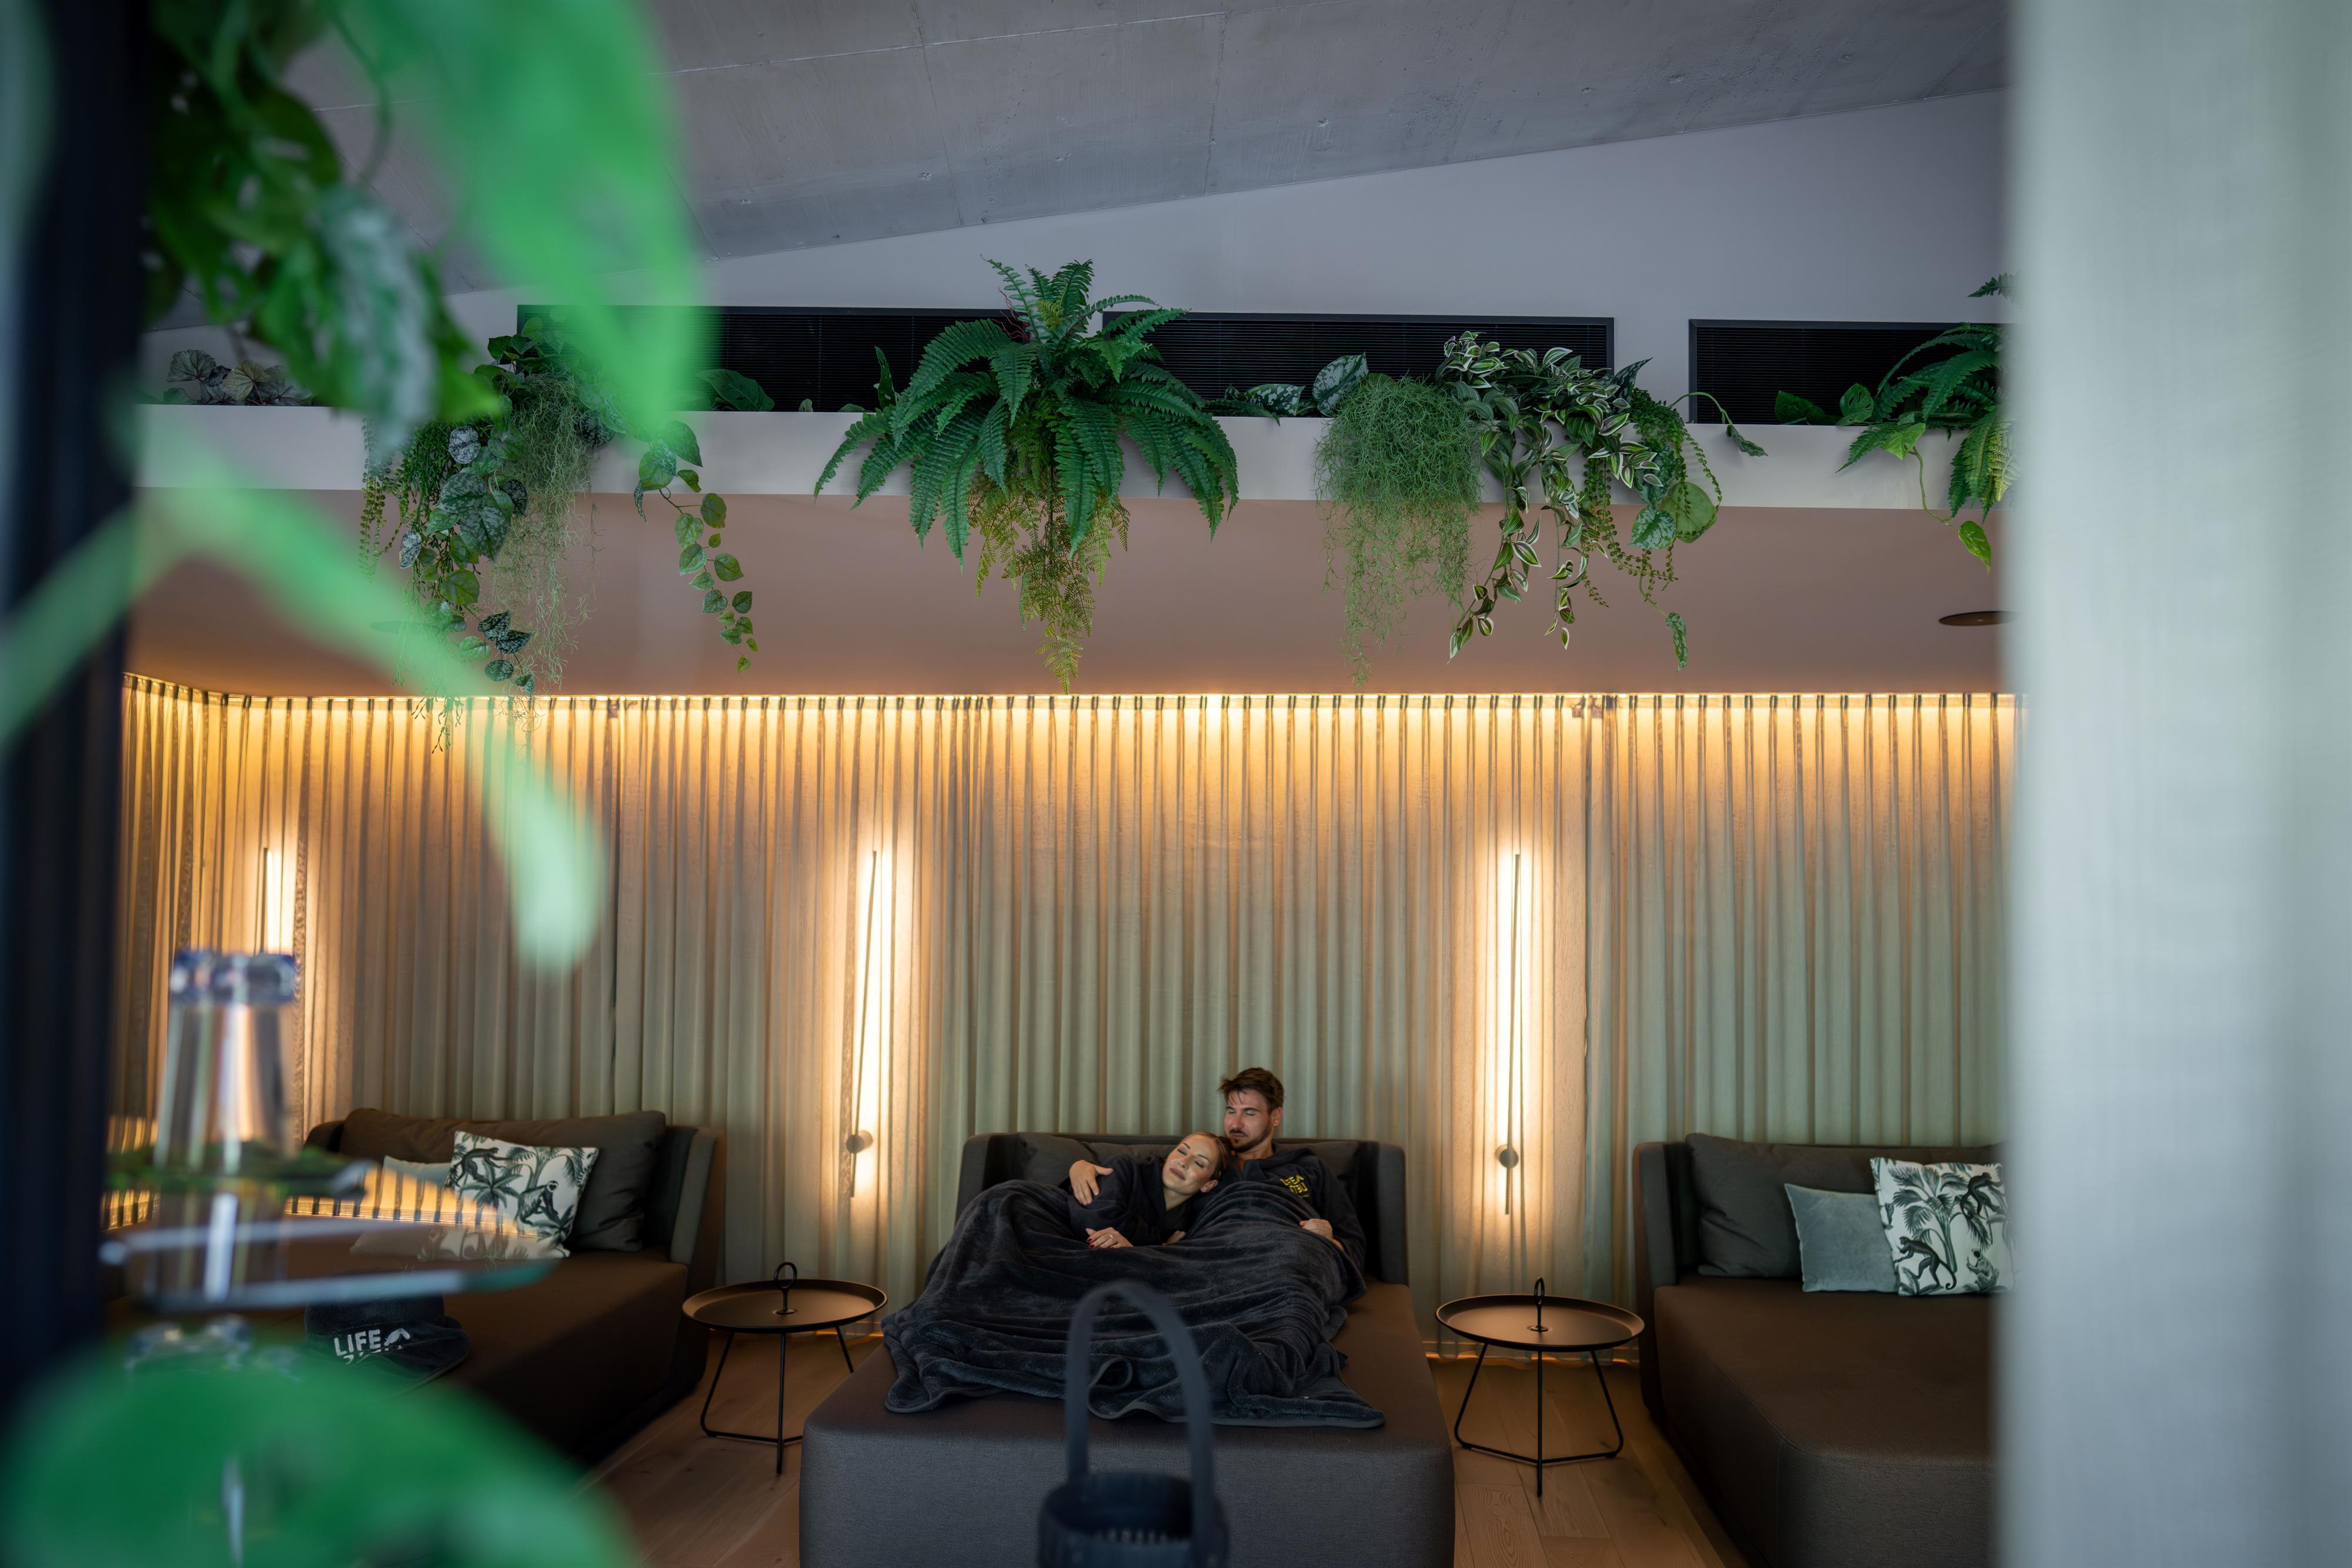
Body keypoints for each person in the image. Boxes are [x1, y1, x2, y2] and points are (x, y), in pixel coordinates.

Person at [1068, 1068, 1367, 1268]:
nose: (1235, 1124)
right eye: (1230, 1111)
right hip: (1214, 1263)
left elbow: (1354, 1242)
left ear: (1275, 1117)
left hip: (1285, 1255)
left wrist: (1331, 1241)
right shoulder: (1207, 1162)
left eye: (1249, 1113)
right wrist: (1082, 1165)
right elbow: (1145, 1178)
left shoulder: (1308, 1167)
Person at [1064, 1131, 1227, 1249]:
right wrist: (1157, 1246)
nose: (1183, 1162)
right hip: (1055, 1217)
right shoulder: (1124, 1167)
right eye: (1182, 1151)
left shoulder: (1186, 1225)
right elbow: (1094, 1224)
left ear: (1209, 1185)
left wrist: (1136, 1244)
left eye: (1199, 1163)